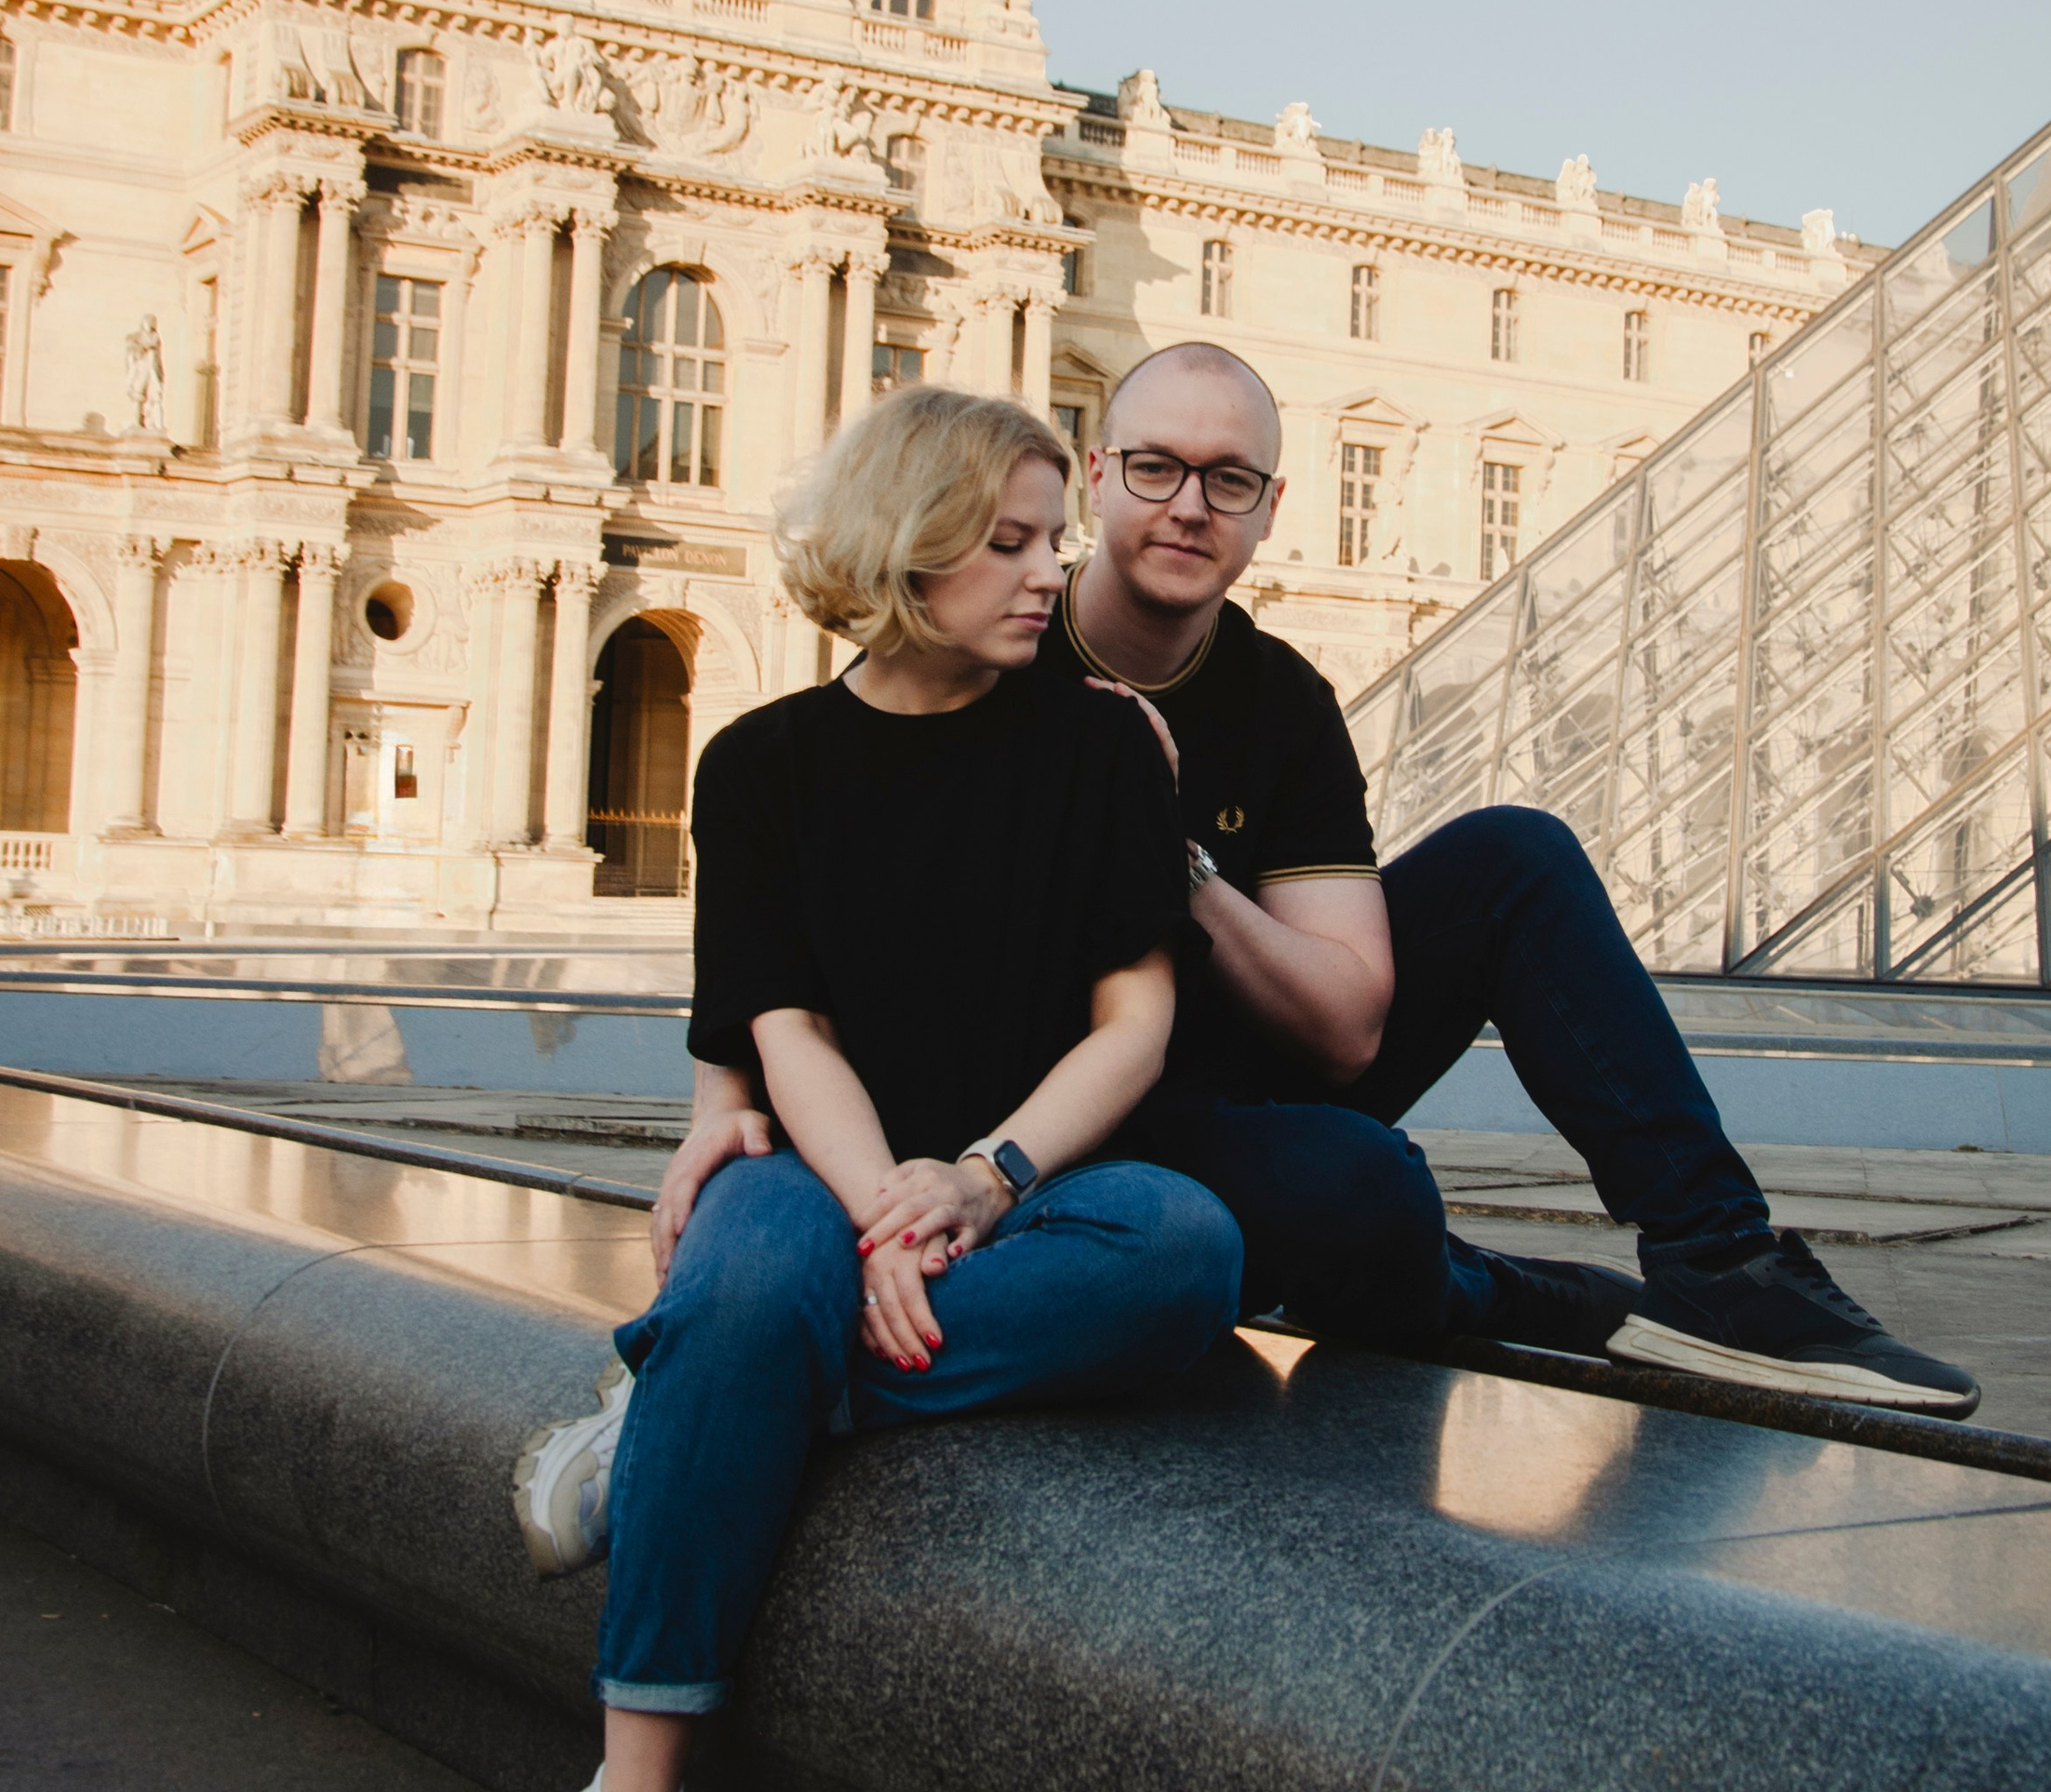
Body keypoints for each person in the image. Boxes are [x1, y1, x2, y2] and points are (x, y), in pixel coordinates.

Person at [653, 344, 1978, 1419]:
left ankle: (1724, 1262)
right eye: (1159, 467)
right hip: (1064, 1097)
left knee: (1515, 858)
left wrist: (1176, 862)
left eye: (1231, 481)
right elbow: (813, 830)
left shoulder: (1282, 698)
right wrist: (725, 1090)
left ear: (1272, 509)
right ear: (1099, 478)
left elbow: (1349, 1028)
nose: (1188, 505)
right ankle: (1475, 1290)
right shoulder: (991, 615)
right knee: (1363, 1193)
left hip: (1213, 1060)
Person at [515, 388, 1241, 1792]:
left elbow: (1133, 1027)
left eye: (1049, 540)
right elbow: (788, 1034)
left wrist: (980, 1179)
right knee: (755, 1271)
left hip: (1022, 1186)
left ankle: (690, 1405)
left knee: (1188, 1246)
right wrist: (882, 1207)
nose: (1046, 575)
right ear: (900, 549)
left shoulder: (1090, 747)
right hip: (819, 1171)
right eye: (1006, 543)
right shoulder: (762, 762)